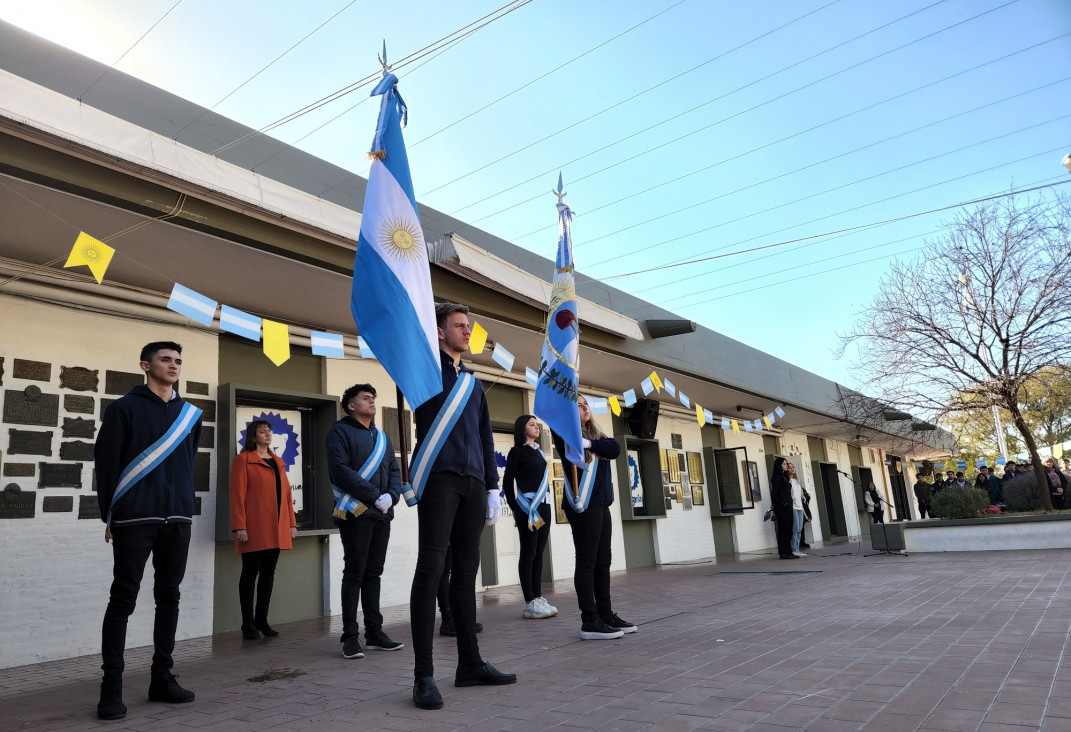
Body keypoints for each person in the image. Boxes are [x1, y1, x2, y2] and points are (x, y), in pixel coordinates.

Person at [409, 303, 516, 710]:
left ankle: (469, 664)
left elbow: (486, 437)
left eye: (468, 325)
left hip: (474, 483)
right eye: (459, 326)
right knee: (432, 567)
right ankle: (423, 676)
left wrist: (493, 486)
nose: (467, 331)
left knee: (466, 572)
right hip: (440, 478)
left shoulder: (472, 383)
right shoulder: (423, 369)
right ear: (439, 332)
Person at [94, 341, 202, 720]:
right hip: (134, 518)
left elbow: (187, 462)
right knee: (123, 599)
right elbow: (106, 465)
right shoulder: (123, 408)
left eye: (177, 361)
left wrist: (184, 504)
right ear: (145, 365)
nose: (173, 365)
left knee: (168, 597)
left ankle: (162, 678)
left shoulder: (190, 414)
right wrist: (112, 514)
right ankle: (112, 688)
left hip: (178, 519)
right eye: (165, 359)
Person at [326, 383, 404, 660]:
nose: (371, 401)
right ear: (350, 405)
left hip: (382, 513)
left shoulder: (382, 437)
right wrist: (375, 496)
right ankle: (350, 636)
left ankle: (374, 632)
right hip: (356, 511)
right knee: (355, 573)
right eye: (365, 398)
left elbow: (394, 469)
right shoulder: (339, 432)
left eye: (373, 397)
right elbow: (340, 471)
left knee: (374, 573)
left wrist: (391, 497)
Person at [553, 394, 634, 638]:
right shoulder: (565, 434)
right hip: (582, 503)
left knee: (603, 561)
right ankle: (589, 620)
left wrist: (589, 444)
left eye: (586, 403)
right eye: (577, 404)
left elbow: (615, 448)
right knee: (587, 561)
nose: (584, 407)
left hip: (600, 503)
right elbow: (556, 421)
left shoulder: (597, 436)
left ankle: (605, 614)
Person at [230, 420, 297, 641]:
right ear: (253, 436)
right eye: (262, 431)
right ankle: (247, 624)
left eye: (269, 430)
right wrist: (240, 525)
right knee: (250, 574)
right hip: (254, 526)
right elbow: (237, 495)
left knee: (268, 575)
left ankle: (262, 621)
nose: (267, 433)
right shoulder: (243, 460)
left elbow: (286, 495)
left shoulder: (278, 461)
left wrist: (292, 524)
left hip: (276, 527)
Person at [502, 415, 557, 619]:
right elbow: (507, 482)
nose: (536, 427)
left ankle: (538, 597)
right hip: (528, 508)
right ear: (522, 429)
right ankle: (529, 602)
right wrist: (515, 506)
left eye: (537, 425)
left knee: (540, 553)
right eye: (532, 424)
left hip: (545, 506)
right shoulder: (517, 452)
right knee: (529, 552)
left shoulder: (540, 453)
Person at [770, 458, 796, 558]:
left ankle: (789, 551)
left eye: (786, 464)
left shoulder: (785, 476)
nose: (786, 466)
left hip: (789, 505)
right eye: (784, 464)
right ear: (779, 465)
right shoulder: (776, 477)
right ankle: (783, 552)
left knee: (789, 529)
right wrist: (776, 505)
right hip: (782, 506)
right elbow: (774, 493)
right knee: (783, 529)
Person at [788, 463, 806, 557]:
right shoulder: (788, 481)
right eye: (789, 467)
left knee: (799, 529)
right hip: (793, 507)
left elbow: (801, 495)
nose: (792, 469)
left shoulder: (796, 481)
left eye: (793, 467)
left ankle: (797, 549)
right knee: (795, 528)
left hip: (800, 507)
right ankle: (793, 549)